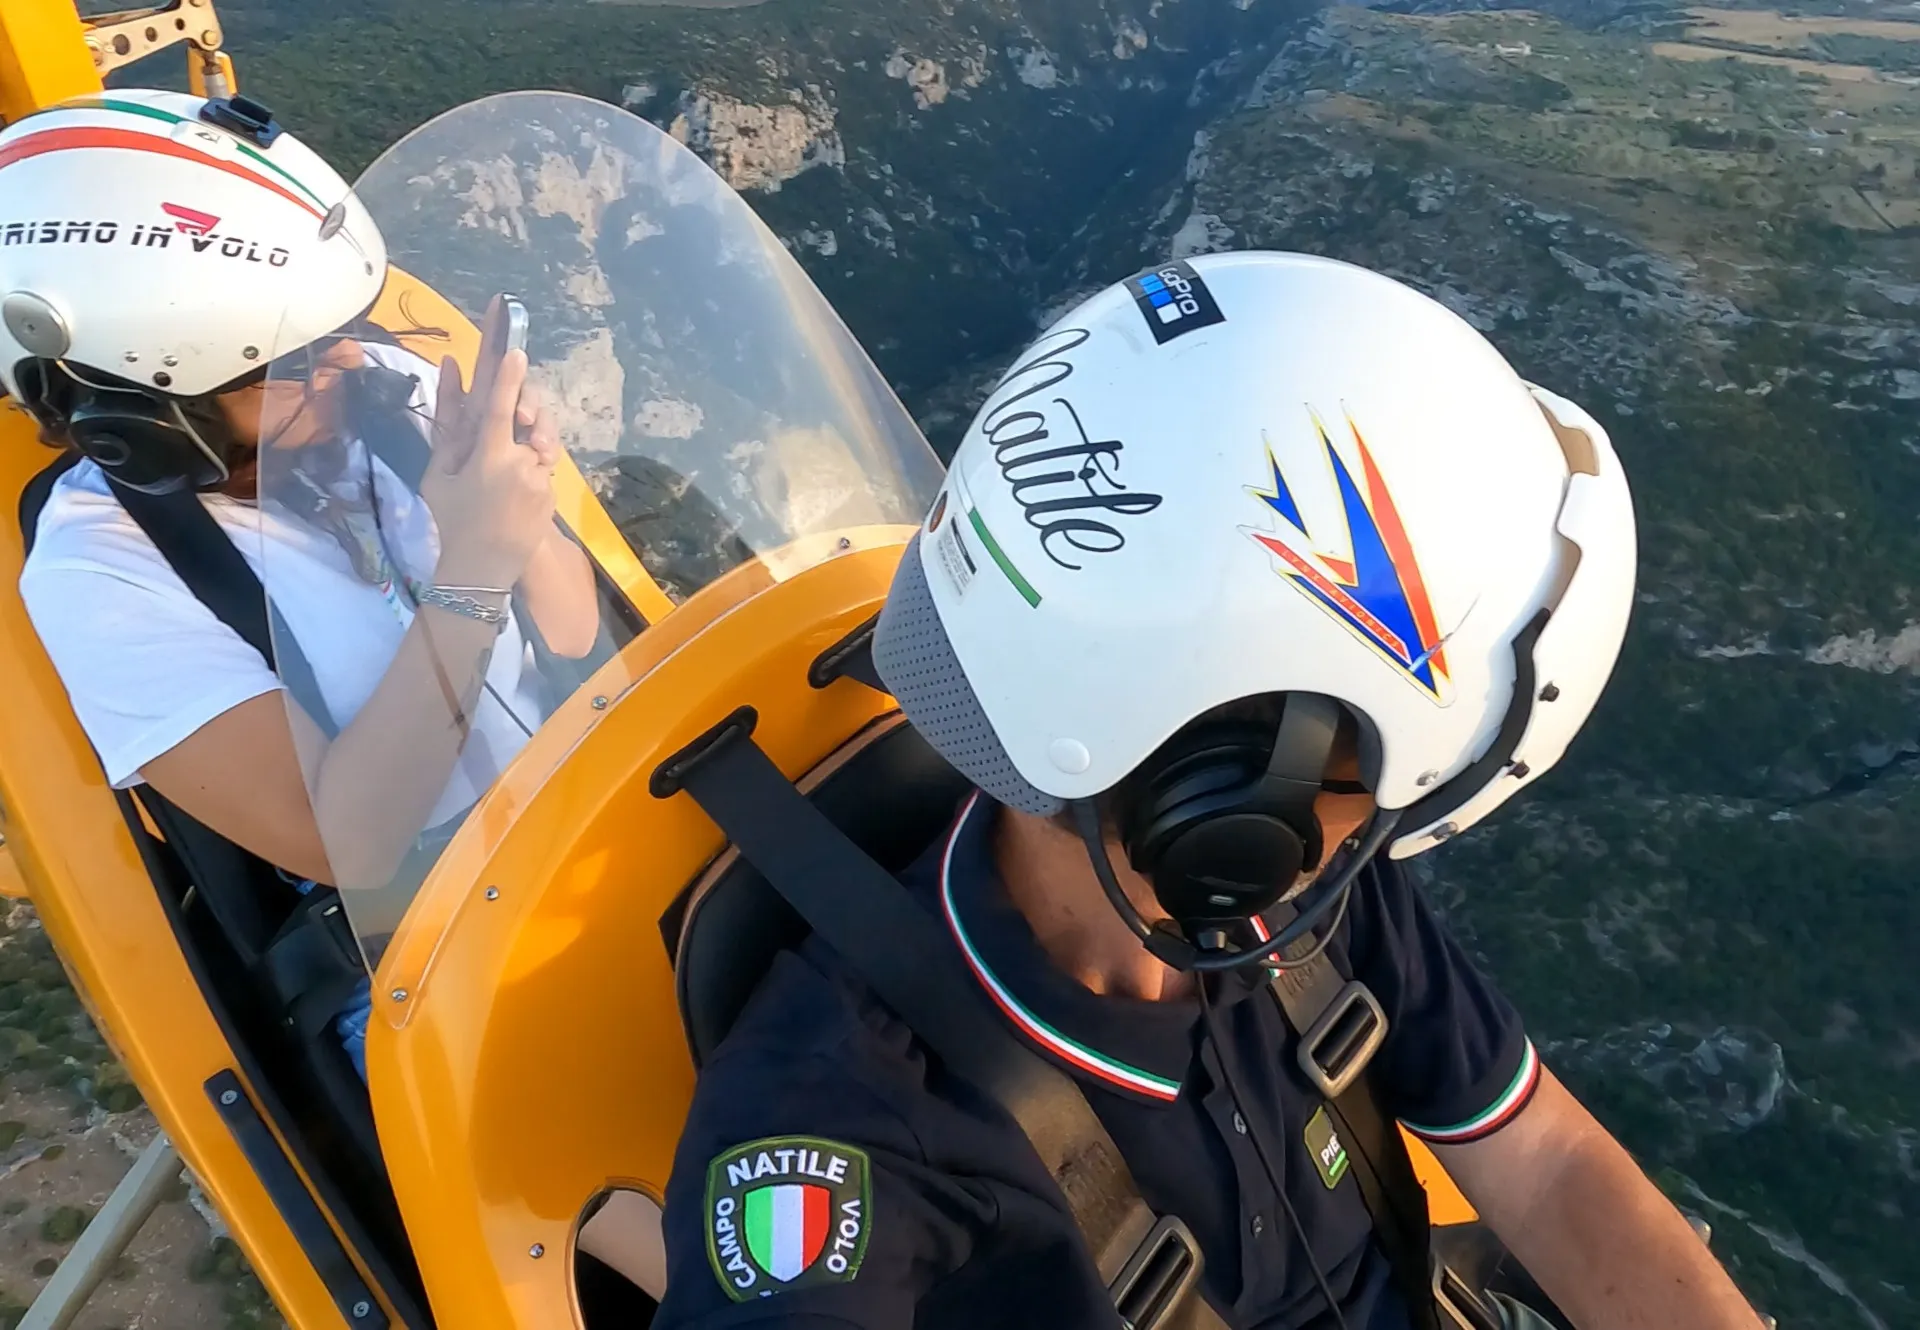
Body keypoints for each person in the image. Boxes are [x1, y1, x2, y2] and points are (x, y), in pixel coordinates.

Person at [652, 253, 1767, 1328]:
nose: (1372, 827)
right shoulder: (838, 1112)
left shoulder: (1304, 906)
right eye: (1363, 778)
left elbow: (1547, 1158)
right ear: (1234, 787)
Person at [1, 90, 601, 1072]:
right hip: (426, 946)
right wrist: (474, 567)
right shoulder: (103, 571)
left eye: (339, 330)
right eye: (291, 360)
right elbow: (348, 844)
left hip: (590, 809)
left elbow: (574, 641)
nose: (351, 362)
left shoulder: (383, 402)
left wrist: (523, 514)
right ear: (137, 420)